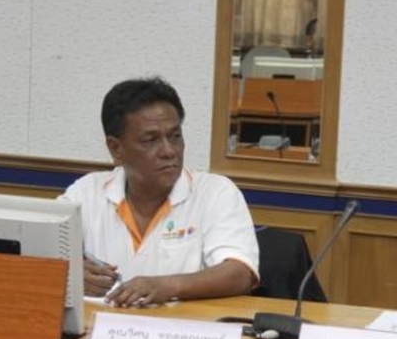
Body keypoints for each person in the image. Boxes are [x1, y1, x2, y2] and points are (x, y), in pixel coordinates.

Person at [61, 76, 259, 308]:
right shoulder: (86, 192)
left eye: (175, 136)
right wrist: (68, 272)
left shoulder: (215, 192)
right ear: (116, 149)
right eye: (151, 140)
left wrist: (168, 286)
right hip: (100, 325)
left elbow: (240, 273)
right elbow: (37, 252)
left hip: (184, 326)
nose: (169, 151)